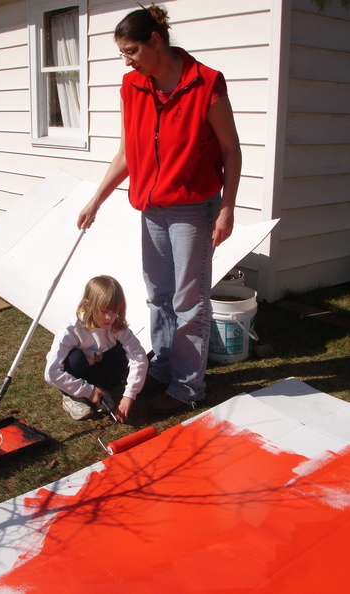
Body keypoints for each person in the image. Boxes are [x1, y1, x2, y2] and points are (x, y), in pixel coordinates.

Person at [77, 4, 242, 414]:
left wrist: (228, 208)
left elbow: (230, 150)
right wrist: (97, 197)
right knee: (158, 296)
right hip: (151, 209)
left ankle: (188, 388)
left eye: (131, 50)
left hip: (192, 209)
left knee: (190, 301)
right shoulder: (133, 86)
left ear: (155, 40)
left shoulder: (206, 83)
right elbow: (127, 154)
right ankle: (165, 367)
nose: (127, 60)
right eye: (123, 54)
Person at [45, 275, 148, 422]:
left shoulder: (117, 327)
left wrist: (129, 395)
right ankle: (74, 396)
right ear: (88, 305)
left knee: (121, 350)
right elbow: (51, 373)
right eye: (104, 311)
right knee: (75, 357)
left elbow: (139, 356)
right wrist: (87, 390)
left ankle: (102, 389)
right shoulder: (71, 330)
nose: (109, 317)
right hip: (77, 372)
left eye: (114, 312)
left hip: (97, 369)